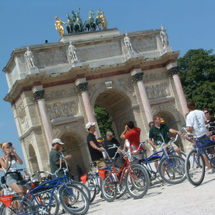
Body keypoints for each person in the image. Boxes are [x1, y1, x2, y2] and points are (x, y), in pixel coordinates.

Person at [186, 101, 214, 174]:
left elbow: (191, 129)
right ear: (194, 105)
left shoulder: (189, 116)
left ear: (188, 107)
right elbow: (205, 122)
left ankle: (209, 168)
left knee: (203, 152)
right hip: (204, 133)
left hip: (198, 136)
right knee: (211, 149)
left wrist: (188, 129)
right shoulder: (201, 112)